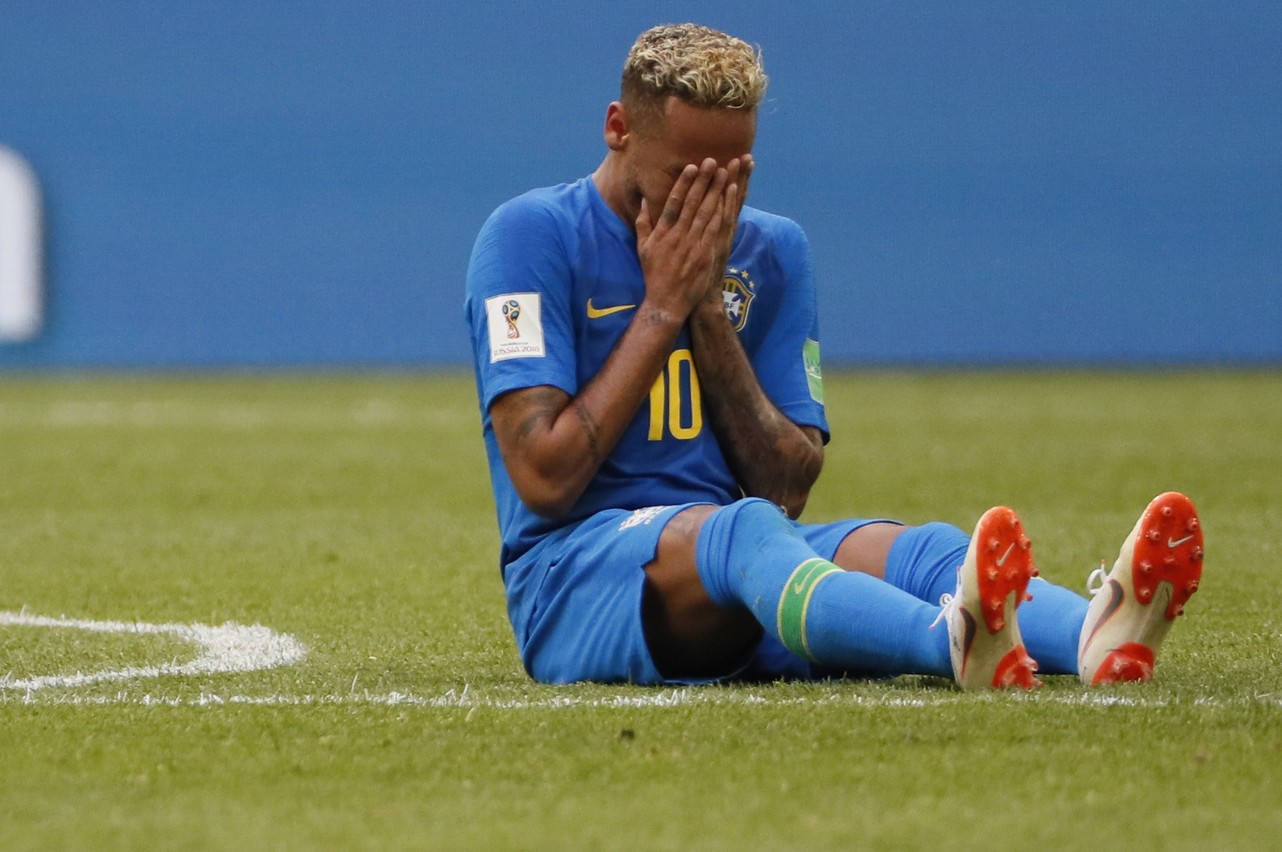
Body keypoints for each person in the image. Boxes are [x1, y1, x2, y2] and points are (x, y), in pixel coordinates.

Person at [465, 23, 1205, 689]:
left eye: (735, 177)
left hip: (749, 567)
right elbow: (545, 478)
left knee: (920, 550)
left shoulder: (771, 251)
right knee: (745, 530)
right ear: (618, 128)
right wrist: (662, 306)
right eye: (689, 180)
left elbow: (786, 487)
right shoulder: (530, 237)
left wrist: (704, 307)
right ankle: (951, 639)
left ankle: (1094, 636)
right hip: (574, 583)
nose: (712, 204)